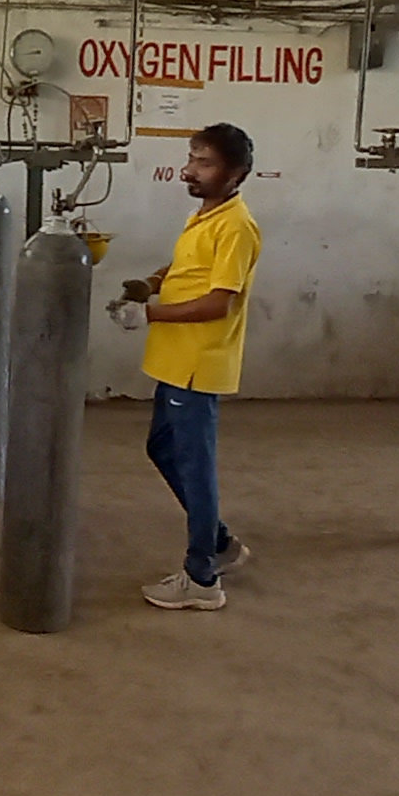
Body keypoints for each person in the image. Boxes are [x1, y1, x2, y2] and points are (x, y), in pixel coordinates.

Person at [107, 123, 261, 611]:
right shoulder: (205, 215)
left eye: (204, 163)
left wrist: (149, 314)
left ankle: (202, 579)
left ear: (236, 174)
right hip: (174, 360)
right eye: (192, 158)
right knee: (162, 449)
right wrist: (152, 282)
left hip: (197, 362)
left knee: (195, 469)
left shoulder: (236, 226)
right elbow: (188, 268)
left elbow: (218, 301)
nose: (189, 170)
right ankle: (220, 543)